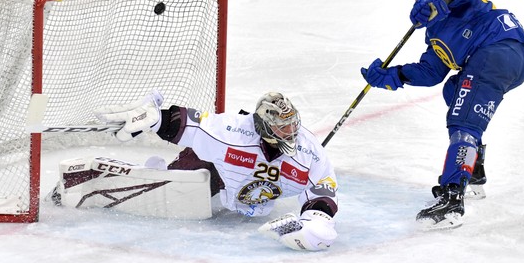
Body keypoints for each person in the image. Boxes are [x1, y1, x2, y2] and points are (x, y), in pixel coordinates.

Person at [361, 0, 524, 229]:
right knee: (453, 92)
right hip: (509, 58)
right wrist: (393, 75)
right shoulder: (435, 28)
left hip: (498, 49)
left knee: (462, 122)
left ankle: (452, 196)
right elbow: (431, 71)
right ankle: (473, 167)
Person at [90, 90, 339, 251]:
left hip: (250, 200)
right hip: (218, 173)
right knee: (187, 179)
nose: (291, 132)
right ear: (263, 127)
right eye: (283, 127)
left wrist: (315, 220)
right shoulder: (235, 131)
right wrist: (157, 119)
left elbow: (323, 190)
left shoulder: (310, 152)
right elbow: (193, 123)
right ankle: (156, 174)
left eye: (293, 124)